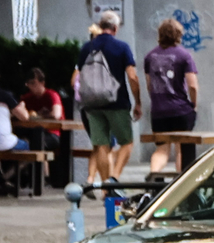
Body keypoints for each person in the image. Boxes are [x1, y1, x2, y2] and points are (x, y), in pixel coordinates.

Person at [72, 12, 141, 187]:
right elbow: (132, 77)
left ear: (101, 26)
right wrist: (137, 101)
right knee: (127, 143)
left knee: (101, 145)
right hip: (117, 102)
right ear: (115, 28)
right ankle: (114, 178)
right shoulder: (122, 47)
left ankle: (105, 187)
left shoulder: (86, 47)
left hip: (92, 105)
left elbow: (75, 78)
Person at [143, 19, 199, 176]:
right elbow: (192, 85)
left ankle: (154, 176)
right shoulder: (184, 56)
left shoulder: (150, 57)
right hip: (181, 110)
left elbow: (150, 85)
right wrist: (193, 104)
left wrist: (157, 101)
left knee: (161, 148)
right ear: (178, 35)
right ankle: (181, 184)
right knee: (182, 147)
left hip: (159, 111)